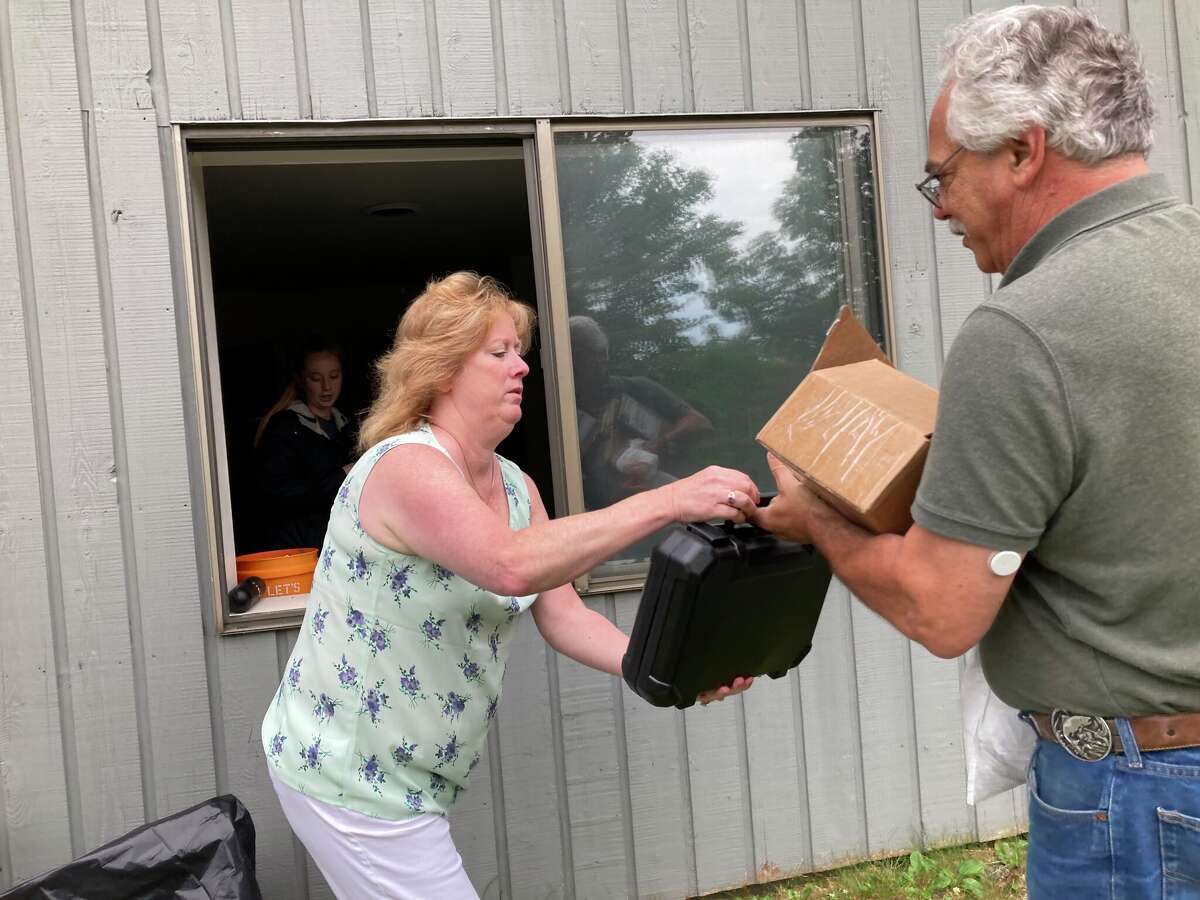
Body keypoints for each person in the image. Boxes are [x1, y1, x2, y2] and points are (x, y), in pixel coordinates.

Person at [753, 7, 1200, 897]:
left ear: (1024, 152)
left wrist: (816, 521)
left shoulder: (1025, 330)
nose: (944, 208)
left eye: (944, 177)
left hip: (1134, 799)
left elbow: (940, 608)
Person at [260, 272, 758, 898]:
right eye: (499, 353)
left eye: (519, 352)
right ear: (442, 370)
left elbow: (563, 613)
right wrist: (671, 499)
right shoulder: (404, 466)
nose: (521, 367)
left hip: (412, 777)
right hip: (347, 769)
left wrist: (665, 668)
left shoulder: (517, 488)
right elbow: (509, 565)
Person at [569, 315, 713, 507]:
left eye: (580, 354)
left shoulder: (636, 389)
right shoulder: (563, 410)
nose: (574, 362)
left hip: (656, 502)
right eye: (572, 355)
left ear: (603, 355)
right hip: (597, 511)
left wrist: (661, 442)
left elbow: (698, 422)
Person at [254, 340, 355, 550]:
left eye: (334, 376)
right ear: (301, 380)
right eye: (316, 378)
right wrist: (341, 476)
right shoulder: (285, 427)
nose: (327, 387)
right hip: (299, 549)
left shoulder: (349, 426)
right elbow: (276, 494)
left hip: (340, 547)